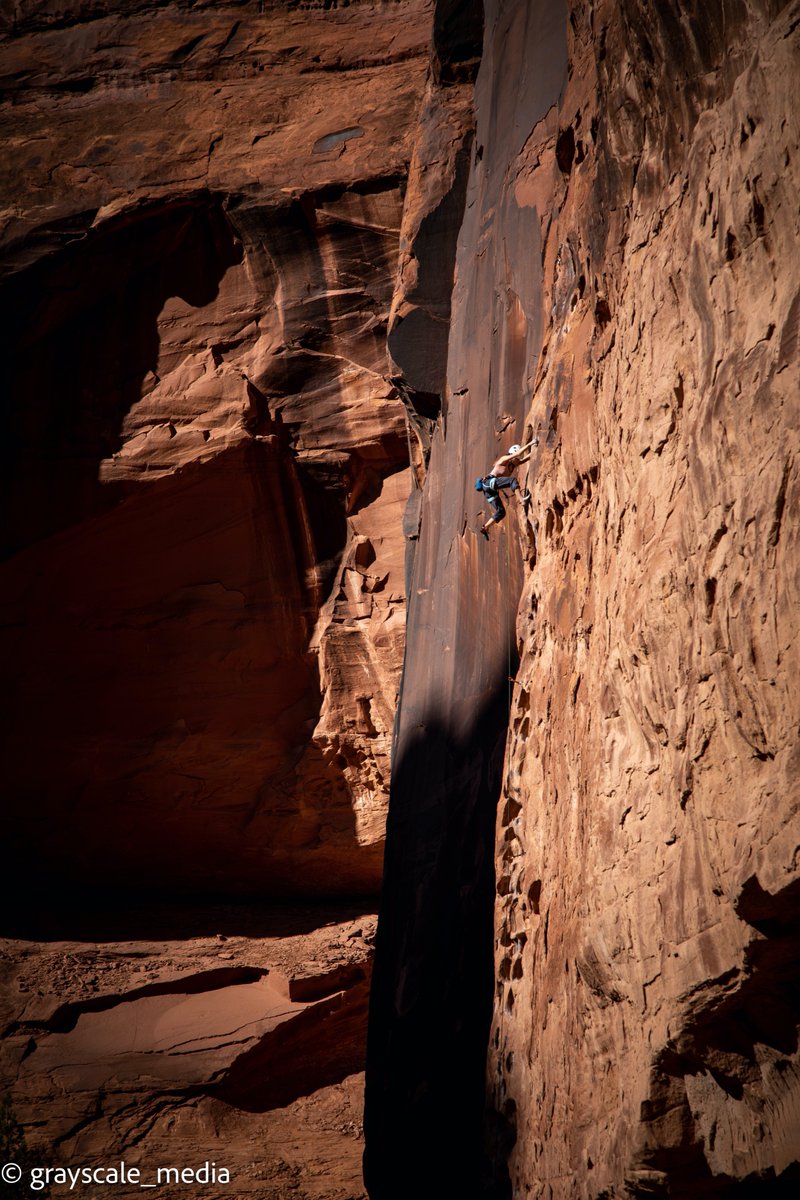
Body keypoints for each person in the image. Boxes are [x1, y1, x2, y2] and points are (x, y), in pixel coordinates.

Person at [475, 437, 538, 538]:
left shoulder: (513, 464)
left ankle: (485, 527)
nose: (517, 458)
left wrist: (535, 451)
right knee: (512, 480)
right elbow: (517, 455)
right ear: (512, 454)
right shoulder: (504, 459)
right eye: (516, 456)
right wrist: (531, 443)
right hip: (488, 483)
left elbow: (523, 460)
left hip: (490, 491)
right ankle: (521, 499)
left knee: (501, 512)